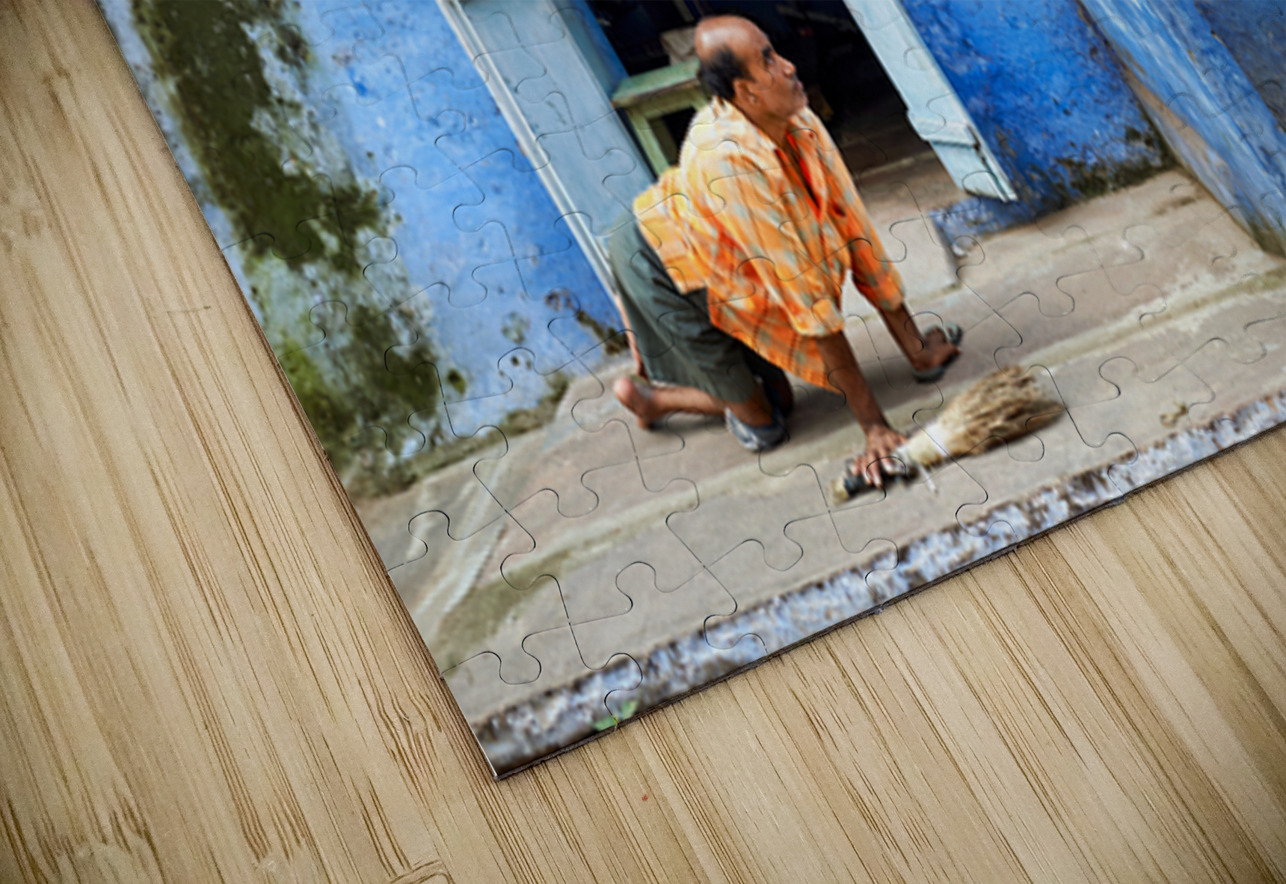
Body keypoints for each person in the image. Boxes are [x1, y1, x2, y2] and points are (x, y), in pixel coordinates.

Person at [607, 15, 960, 487]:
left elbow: (853, 226)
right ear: (745, 91)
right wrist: (873, 426)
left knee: (785, 394)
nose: (790, 66)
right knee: (766, 423)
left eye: (774, 50)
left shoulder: (794, 114)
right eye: (768, 60)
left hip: (723, 257)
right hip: (661, 263)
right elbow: (806, 297)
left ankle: (723, 386)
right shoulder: (726, 162)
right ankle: (655, 401)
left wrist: (917, 350)